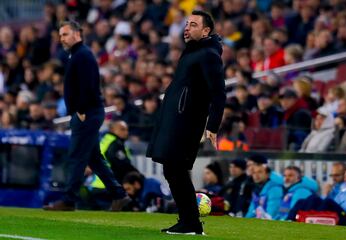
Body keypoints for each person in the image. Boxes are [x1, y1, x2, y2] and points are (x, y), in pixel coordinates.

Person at [146, 10, 225, 235]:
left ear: (206, 30)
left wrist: (212, 125)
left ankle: (191, 222)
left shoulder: (208, 54)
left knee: (176, 169)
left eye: (193, 24)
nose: (187, 28)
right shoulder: (194, 51)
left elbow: (219, 92)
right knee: (172, 169)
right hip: (176, 119)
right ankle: (189, 221)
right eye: (186, 24)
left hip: (187, 121)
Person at [43, 20, 130, 211]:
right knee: (94, 159)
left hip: (87, 113)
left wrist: (81, 110)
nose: (62, 38)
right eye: (60, 35)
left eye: (65, 34)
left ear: (77, 34)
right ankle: (119, 195)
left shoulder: (82, 55)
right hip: (87, 112)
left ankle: (68, 200)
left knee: (76, 156)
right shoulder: (79, 54)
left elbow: (89, 85)